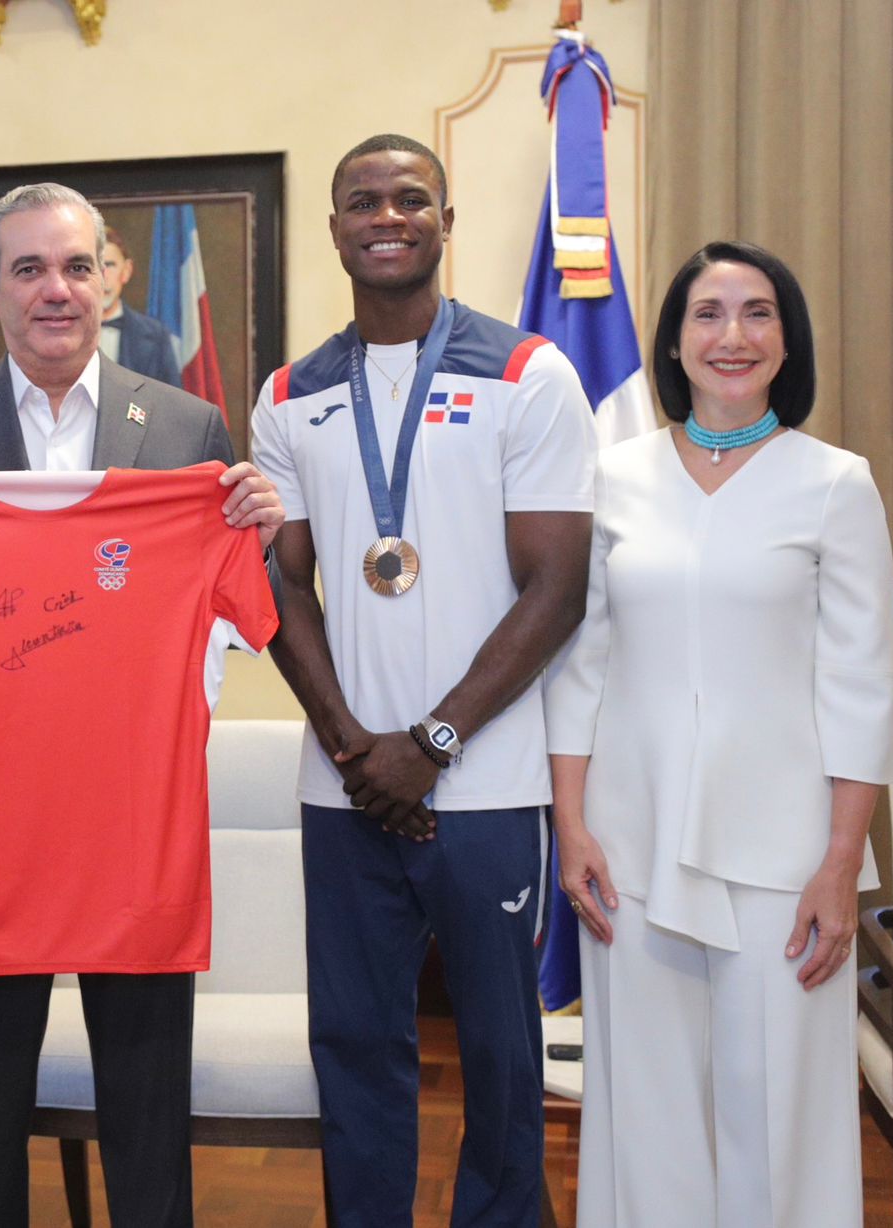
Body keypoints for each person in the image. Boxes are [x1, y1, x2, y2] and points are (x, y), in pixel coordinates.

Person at [0, 180, 284, 1228]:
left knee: (146, 1112)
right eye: (28, 268)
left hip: (132, 835)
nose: (55, 290)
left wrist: (259, 520)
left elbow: (240, 609)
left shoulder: (186, 425)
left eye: (76, 266)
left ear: (111, 278)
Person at [251, 134, 597, 1226]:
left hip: (486, 787)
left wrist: (430, 744)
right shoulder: (287, 393)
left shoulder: (525, 372)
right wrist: (356, 743)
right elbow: (279, 585)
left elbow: (556, 587)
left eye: (411, 198)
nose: (386, 215)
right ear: (337, 228)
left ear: (445, 220)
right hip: (343, 784)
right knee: (354, 1043)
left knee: (502, 1050)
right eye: (363, 200)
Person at [544, 240, 893, 1228]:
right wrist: (569, 825)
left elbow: (863, 684)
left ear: (787, 342)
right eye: (706, 313)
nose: (731, 335)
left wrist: (841, 862)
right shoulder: (611, 477)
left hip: (786, 856)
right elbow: (579, 666)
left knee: (778, 1113)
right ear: (672, 341)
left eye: (756, 313)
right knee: (646, 1109)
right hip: (630, 844)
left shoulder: (835, 482)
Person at [98, 224, 182, 386]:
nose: (104, 277)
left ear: (127, 270)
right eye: (95, 266)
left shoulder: (156, 336)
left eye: (110, 265)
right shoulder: (62, 331)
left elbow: (171, 403)